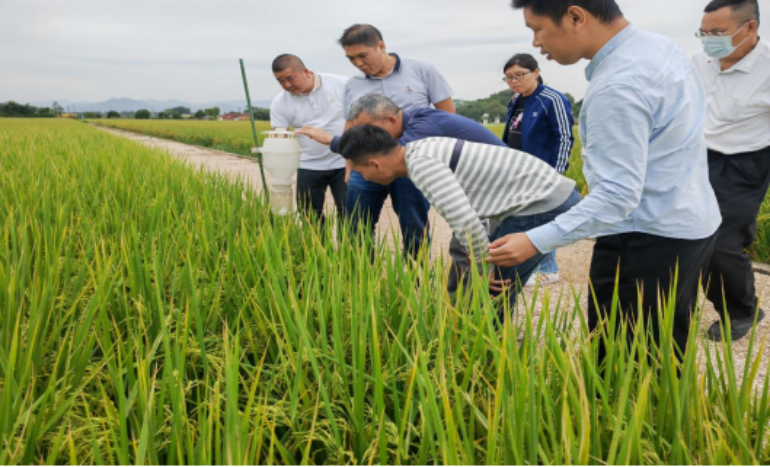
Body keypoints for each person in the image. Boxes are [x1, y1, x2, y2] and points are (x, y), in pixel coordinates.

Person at [496, 0, 721, 358]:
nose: (537, 43)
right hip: (688, 222)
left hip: (644, 237)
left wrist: (536, 240)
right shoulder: (661, 48)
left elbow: (617, 196)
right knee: (662, 349)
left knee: (623, 365)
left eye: (537, 28)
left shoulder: (618, 84)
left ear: (575, 16)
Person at [337, 125, 581, 316]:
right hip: (540, 196)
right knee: (486, 279)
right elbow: (474, 211)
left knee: (491, 290)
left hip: (541, 203)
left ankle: (489, 355)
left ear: (374, 163)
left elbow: (466, 223)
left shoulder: (422, 167)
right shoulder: (419, 148)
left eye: (360, 172)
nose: (364, 178)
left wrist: (484, 269)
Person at [295, 94, 506, 293]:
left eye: (369, 129)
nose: (366, 136)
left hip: (501, 191)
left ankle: (474, 318)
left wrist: (333, 141)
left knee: (477, 253)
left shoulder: (422, 132)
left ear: (391, 120)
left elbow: (386, 155)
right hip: (485, 189)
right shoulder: (415, 122)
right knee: (468, 249)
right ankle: (462, 313)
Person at [338, 24, 456, 258]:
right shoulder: (353, 84)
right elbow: (351, 126)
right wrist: (349, 164)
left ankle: (414, 282)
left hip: (412, 165)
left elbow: (446, 117)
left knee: (414, 226)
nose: (359, 63)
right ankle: (359, 280)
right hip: (367, 165)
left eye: (363, 55)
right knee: (356, 225)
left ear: (381, 46)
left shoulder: (423, 71)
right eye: (351, 59)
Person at [694, 0, 769, 342]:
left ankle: (743, 310)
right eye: (703, 33)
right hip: (695, 157)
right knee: (686, 232)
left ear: (749, 28)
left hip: (744, 162)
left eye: (717, 33)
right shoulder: (699, 63)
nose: (709, 41)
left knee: (720, 241)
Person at [502, 53, 575, 286]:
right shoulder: (515, 100)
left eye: (519, 75)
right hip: (516, 171)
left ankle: (548, 268)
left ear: (536, 72)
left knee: (543, 216)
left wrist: (555, 173)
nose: (514, 81)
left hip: (542, 172)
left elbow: (564, 137)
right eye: (509, 77)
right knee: (525, 218)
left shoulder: (551, 98)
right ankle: (531, 265)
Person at [269, 54, 348, 224]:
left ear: (306, 72)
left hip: (344, 161)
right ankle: (317, 249)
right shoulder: (280, 102)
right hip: (308, 164)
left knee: (350, 213)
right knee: (309, 216)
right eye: (280, 81)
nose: (287, 85)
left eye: (290, 78)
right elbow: (280, 136)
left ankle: (349, 250)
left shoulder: (341, 85)